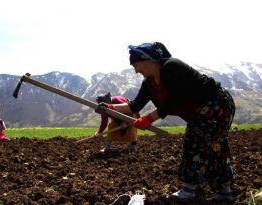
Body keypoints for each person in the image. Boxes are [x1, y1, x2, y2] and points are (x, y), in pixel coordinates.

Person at [96, 42, 235, 202]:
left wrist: (149, 118)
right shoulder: (148, 83)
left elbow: (176, 98)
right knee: (214, 147)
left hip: (216, 104)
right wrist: (109, 107)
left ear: (147, 60)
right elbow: (134, 105)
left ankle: (190, 192)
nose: (135, 70)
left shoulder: (172, 67)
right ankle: (224, 192)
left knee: (194, 143)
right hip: (202, 111)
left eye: (136, 65)